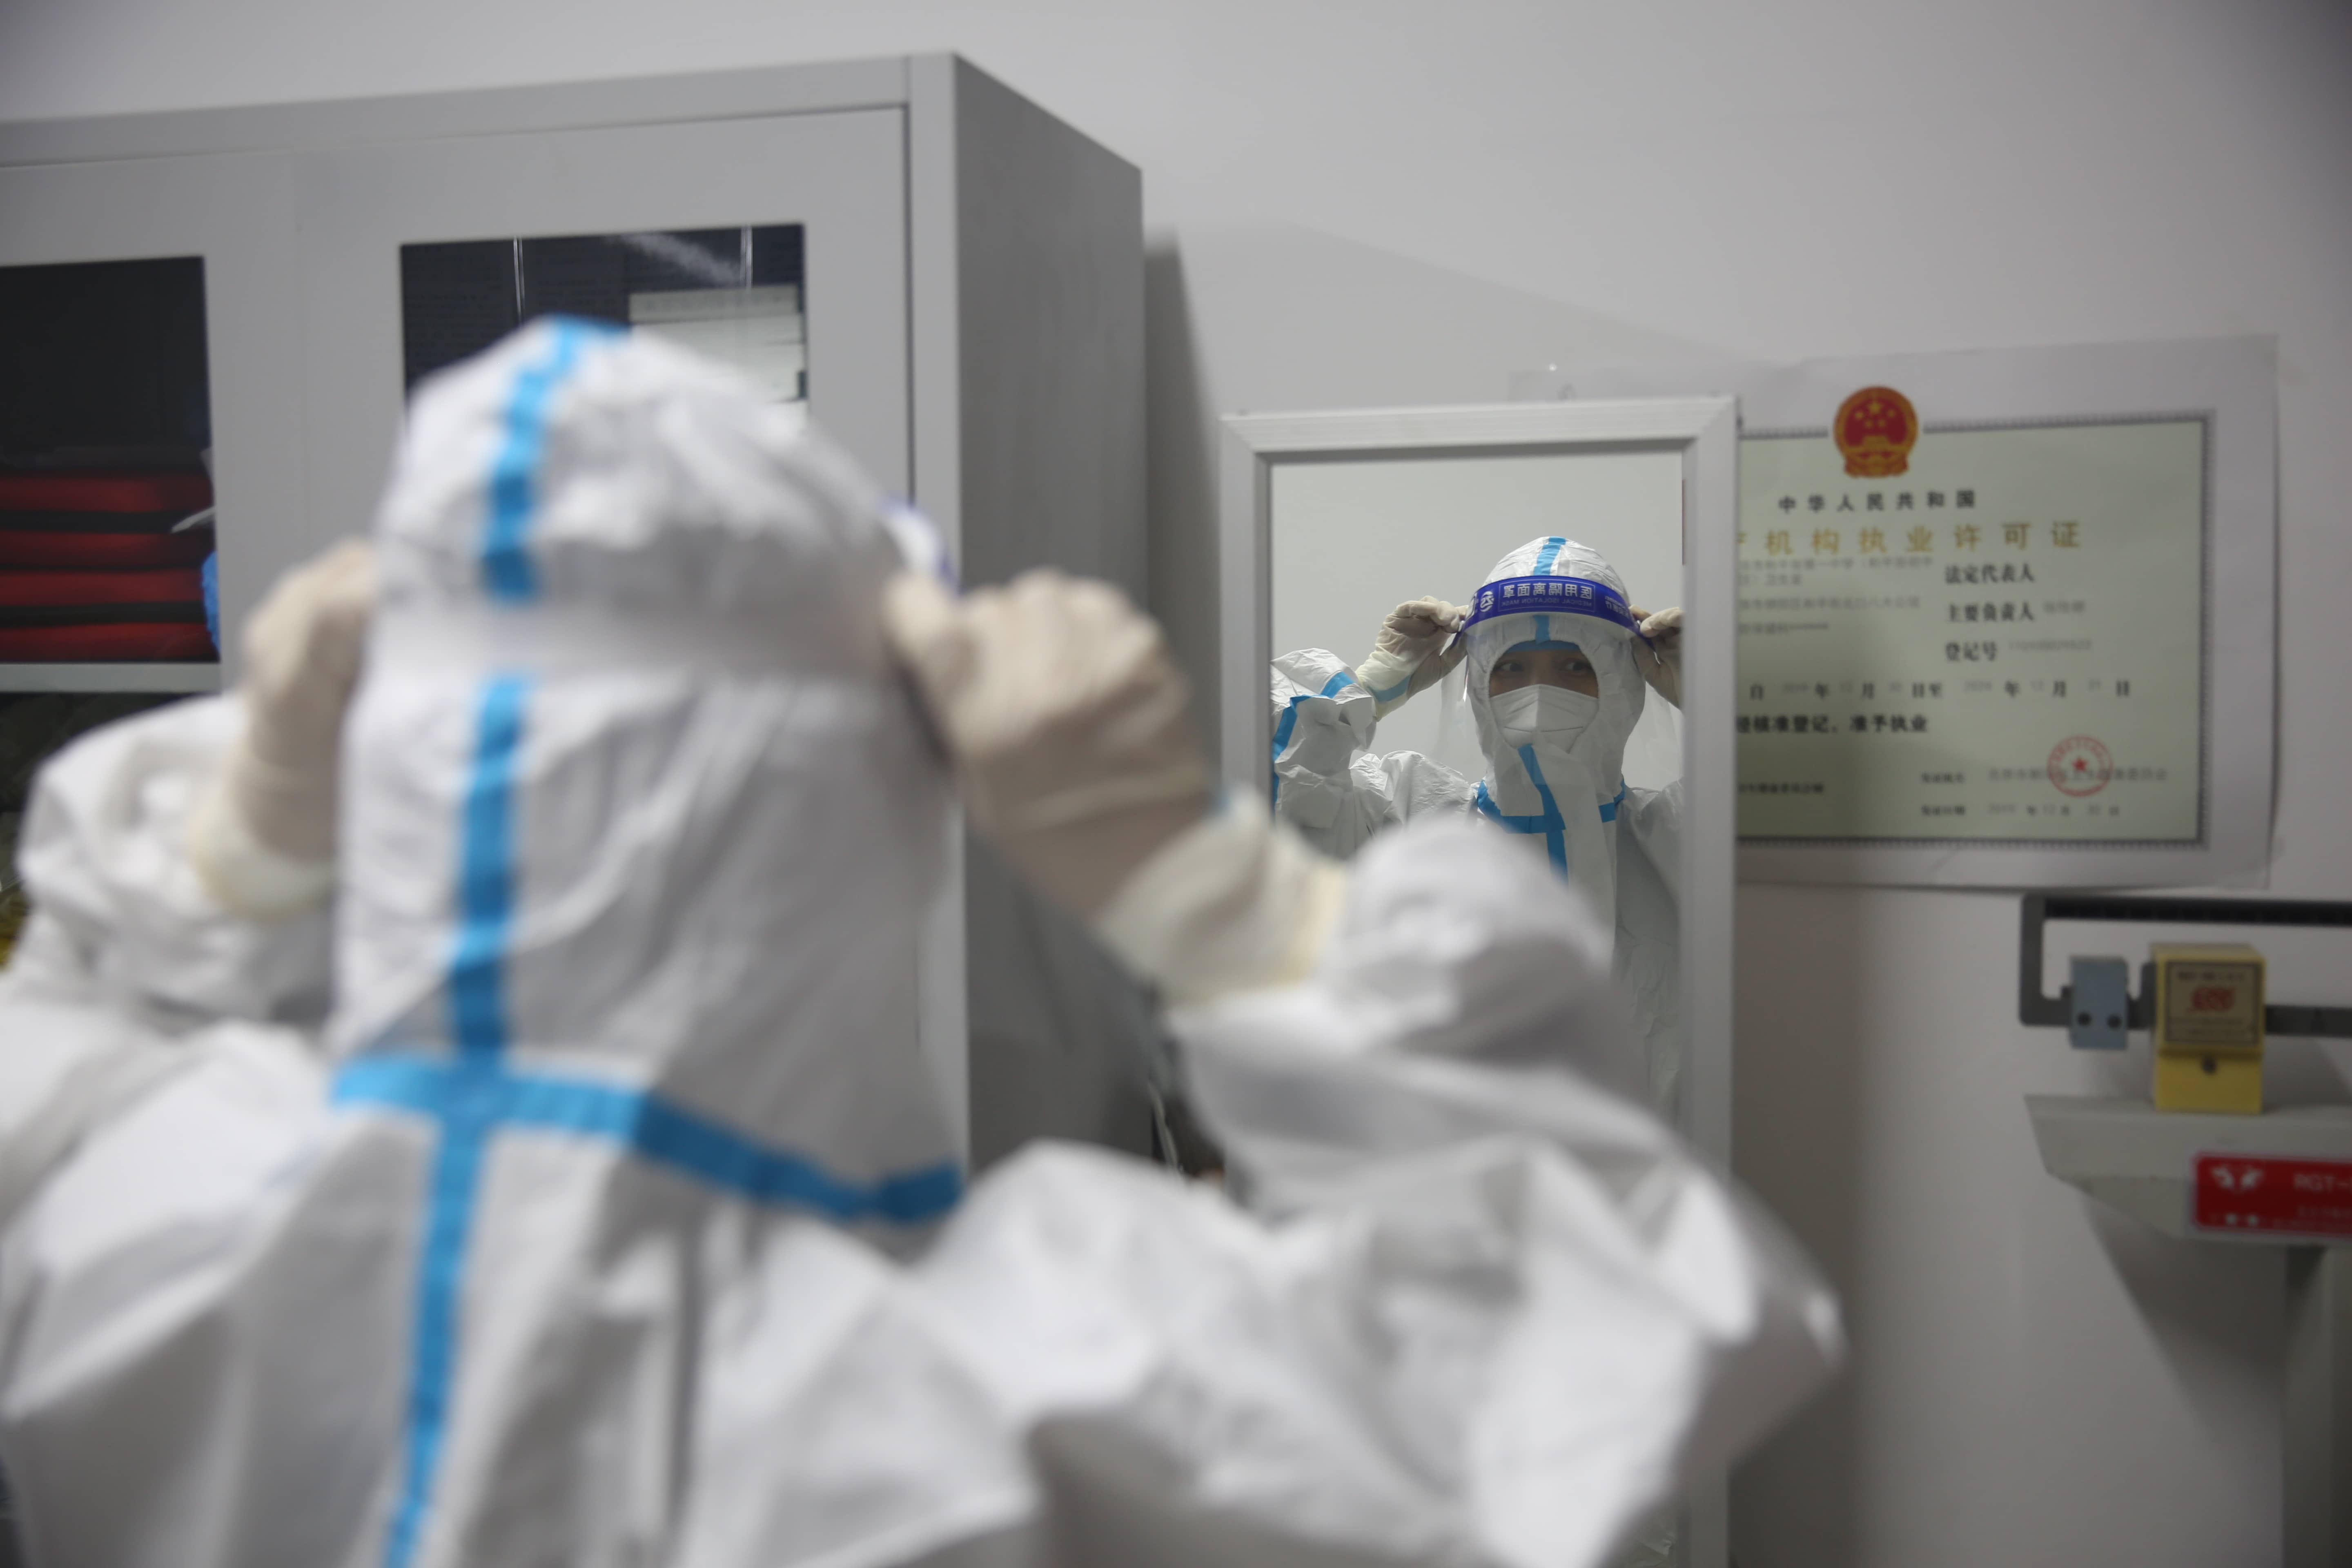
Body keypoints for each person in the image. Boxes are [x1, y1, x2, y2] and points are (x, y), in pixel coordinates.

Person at [0, 321, 1836, 1568]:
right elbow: (1619, 1307)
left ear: (385, 782)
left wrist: (234, 838)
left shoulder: (139, 1227)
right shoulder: (1049, 1394)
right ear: (886, 807)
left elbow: (67, 1009)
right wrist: (1194, 870)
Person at [1270, 541, 1686, 1109]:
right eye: (1511, 668)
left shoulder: (1679, 840)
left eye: (1574, 667)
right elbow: (1268, 791)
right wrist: (1373, 684)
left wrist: (1725, 707)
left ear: (1623, 685)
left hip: (1640, 1163)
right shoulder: (1405, 817)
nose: (1539, 695)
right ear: (1479, 683)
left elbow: (1796, 823)